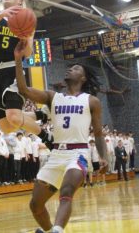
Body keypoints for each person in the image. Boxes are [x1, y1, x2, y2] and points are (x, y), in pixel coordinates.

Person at [13, 41, 108, 233]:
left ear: (83, 77)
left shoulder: (92, 101)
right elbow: (24, 90)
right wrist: (17, 60)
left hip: (79, 153)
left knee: (66, 192)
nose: (69, 70)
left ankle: (57, 230)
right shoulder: (53, 96)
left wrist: (102, 156)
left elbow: (98, 133)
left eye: (75, 68)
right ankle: (50, 231)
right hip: (56, 154)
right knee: (35, 205)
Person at [0, 0, 50, 141]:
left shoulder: (27, 19)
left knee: (14, 117)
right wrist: (2, 14)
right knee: (7, 127)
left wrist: (24, 36)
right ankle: (39, 115)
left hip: (12, 70)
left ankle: (46, 138)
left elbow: (28, 52)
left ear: (20, 0)